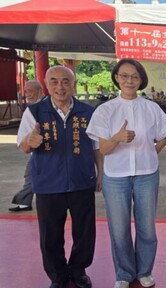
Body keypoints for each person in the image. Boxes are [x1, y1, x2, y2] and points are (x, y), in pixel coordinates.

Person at [86, 59, 166, 288]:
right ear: (116, 78)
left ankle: (144, 271)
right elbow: (103, 149)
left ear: (141, 80)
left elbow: (165, 134)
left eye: (134, 76)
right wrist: (117, 138)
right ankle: (124, 273)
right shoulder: (105, 110)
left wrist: (154, 150)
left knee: (147, 227)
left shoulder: (151, 107)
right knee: (119, 228)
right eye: (124, 76)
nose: (129, 80)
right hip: (116, 176)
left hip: (147, 173)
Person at [17, 66, 103, 288]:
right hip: (48, 184)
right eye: (54, 82)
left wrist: (100, 173)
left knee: (84, 232)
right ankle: (58, 275)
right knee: (50, 235)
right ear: (46, 84)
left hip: (81, 181)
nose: (60, 87)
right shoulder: (34, 112)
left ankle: (79, 270)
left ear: (73, 84)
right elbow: (23, 145)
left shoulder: (88, 111)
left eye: (65, 81)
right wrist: (30, 142)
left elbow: (96, 147)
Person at [9, 80, 45, 212]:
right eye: (26, 91)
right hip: (37, 150)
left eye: (30, 91)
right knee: (30, 176)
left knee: (32, 176)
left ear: (40, 91)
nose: (27, 94)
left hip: (51, 151)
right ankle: (24, 202)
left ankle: (24, 201)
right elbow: (23, 139)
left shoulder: (47, 106)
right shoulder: (31, 110)